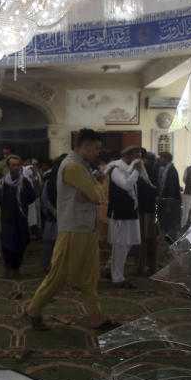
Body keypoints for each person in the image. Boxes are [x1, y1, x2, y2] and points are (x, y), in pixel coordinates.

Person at [25, 129, 119, 331]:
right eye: (95, 149)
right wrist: (95, 190)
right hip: (73, 230)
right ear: (84, 147)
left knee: (89, 275)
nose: (97, 153)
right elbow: (97, 195)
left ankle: (96, 317)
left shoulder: (82, 167)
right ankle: (33, 310)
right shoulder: (73, 167)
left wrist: (93, 191)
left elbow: (95, 191)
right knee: (58, 275)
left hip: (84, 229)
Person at [0, 154, 36, 278]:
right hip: (7, 218)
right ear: (8, 167)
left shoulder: (25, 182)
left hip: (21, 218)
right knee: (7, 244)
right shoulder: (2, 183)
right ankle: (7, 267)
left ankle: (16, 268)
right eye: (13, 165)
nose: (16, 168)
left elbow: (32, 197)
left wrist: (21, 204)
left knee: (20, 243)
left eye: (18, 165)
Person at [106, 146, 142, 288]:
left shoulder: (129, 169)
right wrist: (136, 171)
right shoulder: (115, 169)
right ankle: (117, 277)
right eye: (136, 156)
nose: (138, 160)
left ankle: (113, 271)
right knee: (120, 244)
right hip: (119, 213)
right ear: (129, 156)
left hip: (130, 212)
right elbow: (126, 185)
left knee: (127, 243)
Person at [136, 149, 159, 276]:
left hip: (144, 209)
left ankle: (143, 266)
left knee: (145, 239)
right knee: (149, 239)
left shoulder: (144, 170)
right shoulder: (151, 168)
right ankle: (150, 267)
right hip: (149, 208)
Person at [39, 155, 64, 272]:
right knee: (50, 241)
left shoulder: (69, 179)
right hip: (53, 216)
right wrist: (53, 211)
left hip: (65, 215)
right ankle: (48, 264)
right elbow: (44, 198)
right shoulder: (50, 179)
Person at [157, 151, 182, 243]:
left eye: (161, 158)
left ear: (166, 159)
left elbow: (171, 189)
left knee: (171, 225)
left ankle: (171, 246)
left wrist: (168, 205)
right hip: (169, 202)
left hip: (171, 203)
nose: (160, 160)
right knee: (168, 224)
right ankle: (169, 244)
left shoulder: (171, 171)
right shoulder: (167, 169)